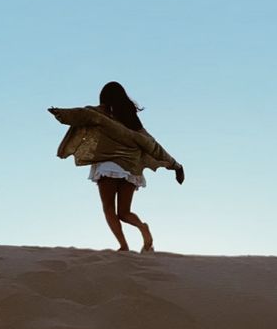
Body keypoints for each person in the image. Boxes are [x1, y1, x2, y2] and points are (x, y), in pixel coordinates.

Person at [48, 82, 184, 253]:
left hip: (109, 166)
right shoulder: (133, 123)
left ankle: (123, 246)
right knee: (125, 212)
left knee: (109, 209)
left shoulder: (100, 114)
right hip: (131, 171)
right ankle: (143, 228)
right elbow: (152, 145)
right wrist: (175, 165)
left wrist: (60, 113)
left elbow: (82, 115)